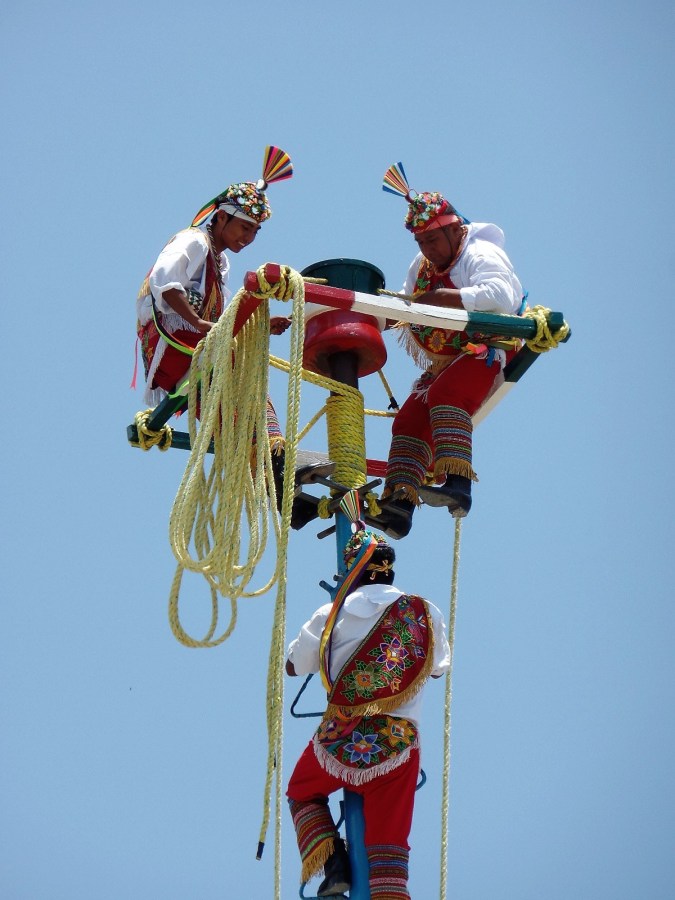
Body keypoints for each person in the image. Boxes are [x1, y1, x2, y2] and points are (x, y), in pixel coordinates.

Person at [286, 515, 450, 898]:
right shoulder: (425, 613)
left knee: (302, 791)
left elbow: (294, 667)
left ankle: (334, 866)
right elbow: (438, 669)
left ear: (352, 571)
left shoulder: (331, 615)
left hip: (341, 742)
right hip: (398, 745)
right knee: (389, 852)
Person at [373, 163, 525, 539]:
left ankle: (459, 487)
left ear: (456, 229)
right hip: (448, 362)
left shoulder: (481, 253)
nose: (428, 250)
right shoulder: (421, 266)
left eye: (434, 240)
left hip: (489, 348)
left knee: (446, 395)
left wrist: (444, 297)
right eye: (421, 243)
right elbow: (406, 308)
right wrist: (362, 317)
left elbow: (501, 297)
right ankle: (399, 507)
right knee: (407, 420)